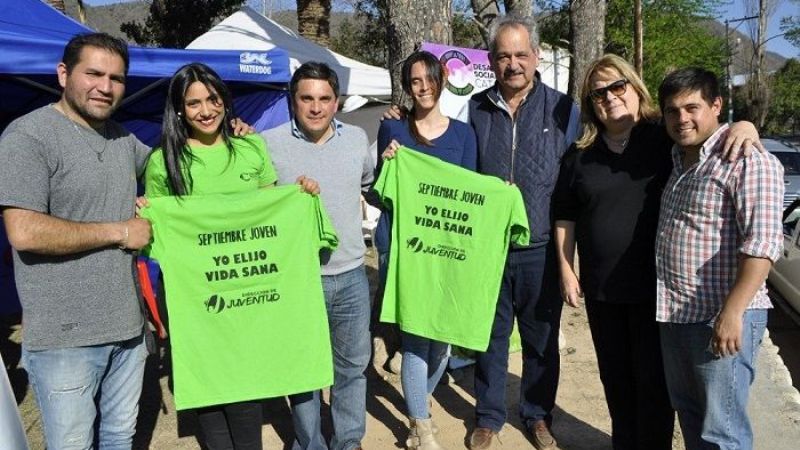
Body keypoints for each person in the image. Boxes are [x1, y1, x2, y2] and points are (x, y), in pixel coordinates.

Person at [553, 55, 761, 450]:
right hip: (603, 292)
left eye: (617, 87)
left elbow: (708, 131)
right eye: (598, 92)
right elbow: (565, 215)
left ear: (635, 89)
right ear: (589, 102)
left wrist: (746, 126)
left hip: (659, 295)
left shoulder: (664, 135)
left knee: (657, 390)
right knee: (616, 383)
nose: (609, 97)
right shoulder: (580, 154)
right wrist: (566, 268)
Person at [142, 62, 317, 450]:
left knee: (245, 384)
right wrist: (146, 215)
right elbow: (156, 234)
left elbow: (272, 213)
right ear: (179, 110)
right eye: (193, 103)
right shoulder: (162, 162)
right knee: (209, 385)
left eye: (212, 99)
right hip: (196, 297)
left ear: (224, 99)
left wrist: (299, 196)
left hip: (249, 291)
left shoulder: (251, 147)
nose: (205, 110)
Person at [0, 33, 152, 449]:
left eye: (117, 78)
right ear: (64, 73)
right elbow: (24, 231)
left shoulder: (123, 139)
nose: (106, 87)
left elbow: (172, 165)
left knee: (120, 438)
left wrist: (233, 135)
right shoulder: (27, 137)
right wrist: (121, 231)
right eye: (94, 74)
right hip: (65, 339)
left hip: (128, 331)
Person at [465, 16, 579, 450]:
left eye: (520, 54)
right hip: (489, 249)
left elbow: (577, 175)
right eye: (503, 56)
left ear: (536, 56)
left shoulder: (564, 108)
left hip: (542, 248)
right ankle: (488, 417)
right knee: (489, 339)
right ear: (492, 61)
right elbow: (455, 160)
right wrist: (399, 128)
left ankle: (537, 415)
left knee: (541, 340)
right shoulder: (475, 108)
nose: (512, 64)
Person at [655, 67, 783, 450]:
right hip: (678, 314)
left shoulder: (746, 160)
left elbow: (763, 244)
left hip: (721, 316)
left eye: (692, 107)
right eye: (672, 110)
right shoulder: (680, 160)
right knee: (693, 418)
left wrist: (732, 313)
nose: (682, 119)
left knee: (723, 433)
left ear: (716, 105)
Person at [261, 62, 373, 450]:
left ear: (337, 102)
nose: (315, 107)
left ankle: (348, 441)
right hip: (298, 280)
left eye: (324, 98)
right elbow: (255, 202)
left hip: (353, 276)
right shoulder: (267, 144)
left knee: (352, 369)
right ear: (293, 101)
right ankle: (310, 443)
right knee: (303, 371)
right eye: (306, 98)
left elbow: (374, 186)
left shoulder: (358, 139)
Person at [377, 50, 477, 450]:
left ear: (441, 81)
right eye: (415, 81)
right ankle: (421, 425)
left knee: (444, 342)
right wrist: (386, 166)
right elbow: (378, 194)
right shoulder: (393, 130)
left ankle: (418, 403)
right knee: (418, 340)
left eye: (429, 79)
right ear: (407, 87)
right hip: (406, 251)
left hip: (448, 252)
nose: (423, 88)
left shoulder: (463, 135)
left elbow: (470, 196)